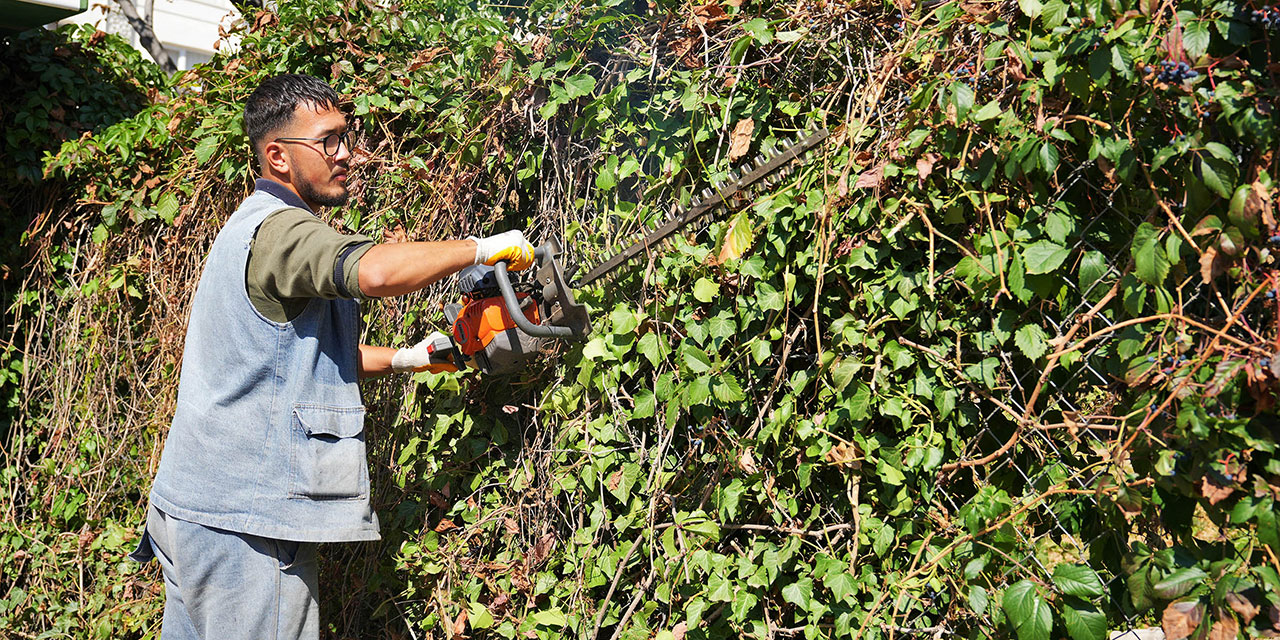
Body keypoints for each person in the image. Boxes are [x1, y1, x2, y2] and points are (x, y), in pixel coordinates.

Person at [128, 73, 534, 640]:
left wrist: (404, 359)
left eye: (346, 136)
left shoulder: (246, 227)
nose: (347, 154)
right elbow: (373, 272)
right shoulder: (284, 232)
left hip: (196, 506)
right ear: (278, 156)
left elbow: (285, 359)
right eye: (328, 141)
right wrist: (482, 248)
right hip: (245, 519)